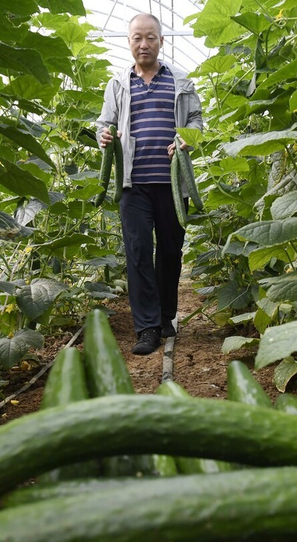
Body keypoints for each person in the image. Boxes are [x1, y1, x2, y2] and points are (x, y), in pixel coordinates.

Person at [95, 13, 203, 355]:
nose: (144, 44)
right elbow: (104, 123)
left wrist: (186, 139)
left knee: (170, 251)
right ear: (129, 42)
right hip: (133, 184)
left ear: (161, 41)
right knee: (139, 251)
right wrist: (103, 136)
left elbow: (196, 121)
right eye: (137, 38)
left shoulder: (180, 82)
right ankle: (146, 327)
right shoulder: (118, 84)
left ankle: (166, 316)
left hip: (172, 184)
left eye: (150, 37)